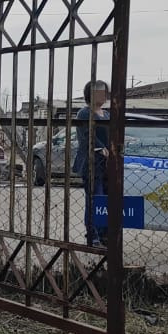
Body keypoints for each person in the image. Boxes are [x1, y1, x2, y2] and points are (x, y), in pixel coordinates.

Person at [75, 79, 111, 247]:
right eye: (98, 91)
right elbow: (88, 135)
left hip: (108, 165)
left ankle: (105, 234)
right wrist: (101, 147)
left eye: (104, 91)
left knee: (106, 200)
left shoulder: (107, 114)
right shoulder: (84, 113)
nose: (101, 95)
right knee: (94, 199)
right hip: (91, 163)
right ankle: (92, 234)